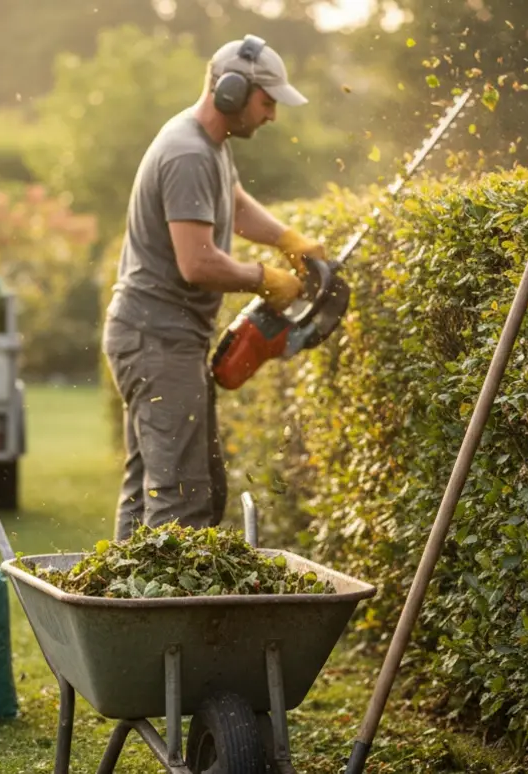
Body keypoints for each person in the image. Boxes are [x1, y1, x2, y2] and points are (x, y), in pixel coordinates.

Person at [101, 34, 327, 540]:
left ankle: (124, 610)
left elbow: (235, 202)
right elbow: (197, 263)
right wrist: (265, 280)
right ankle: (164, 615)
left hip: (155, 337)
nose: (272, 116)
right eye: (267, 102)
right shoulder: (187, 154)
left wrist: (287, 240)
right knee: (180, 498)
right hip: (157, 340)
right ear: (231, 91)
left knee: (150, 491)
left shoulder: (209, 146)